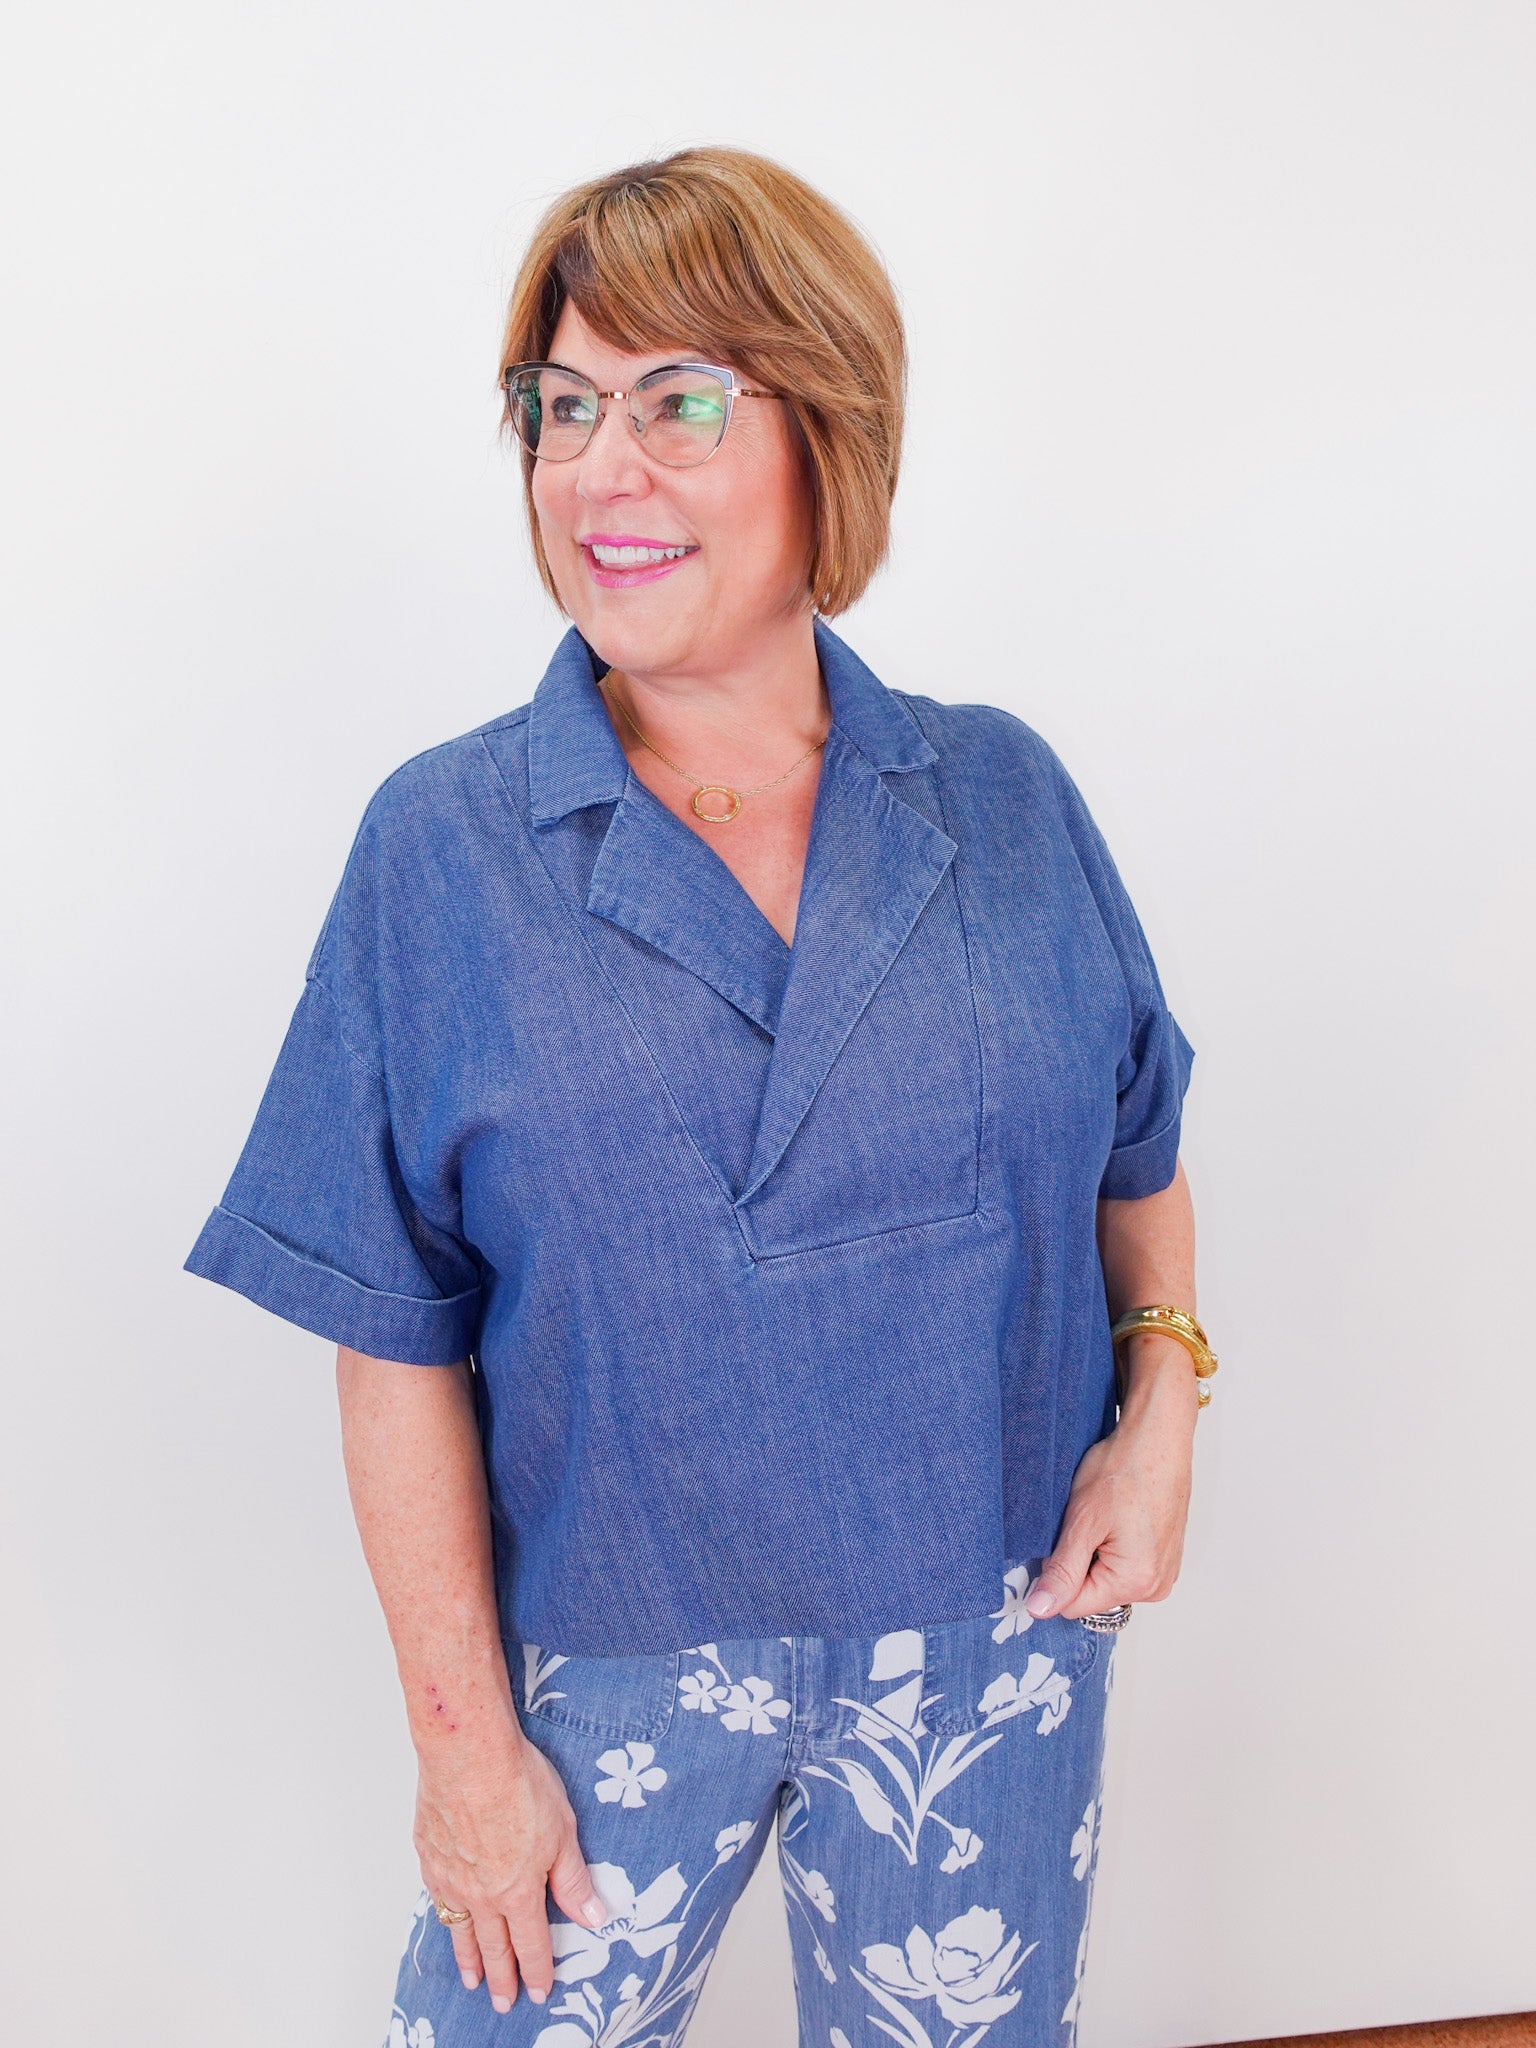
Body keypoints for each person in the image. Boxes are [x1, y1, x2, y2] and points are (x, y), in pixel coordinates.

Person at [186, 146, 1211, 2048]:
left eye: (678, 402)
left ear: (829, 433)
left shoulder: (1002, 798)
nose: (598, 473)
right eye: (560, 410)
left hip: (993, 1666)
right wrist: (466, 1761)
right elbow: (389, 1329)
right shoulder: (445, 849)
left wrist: (1163, 1405)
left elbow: (1132, 1152)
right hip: (607, 1676)